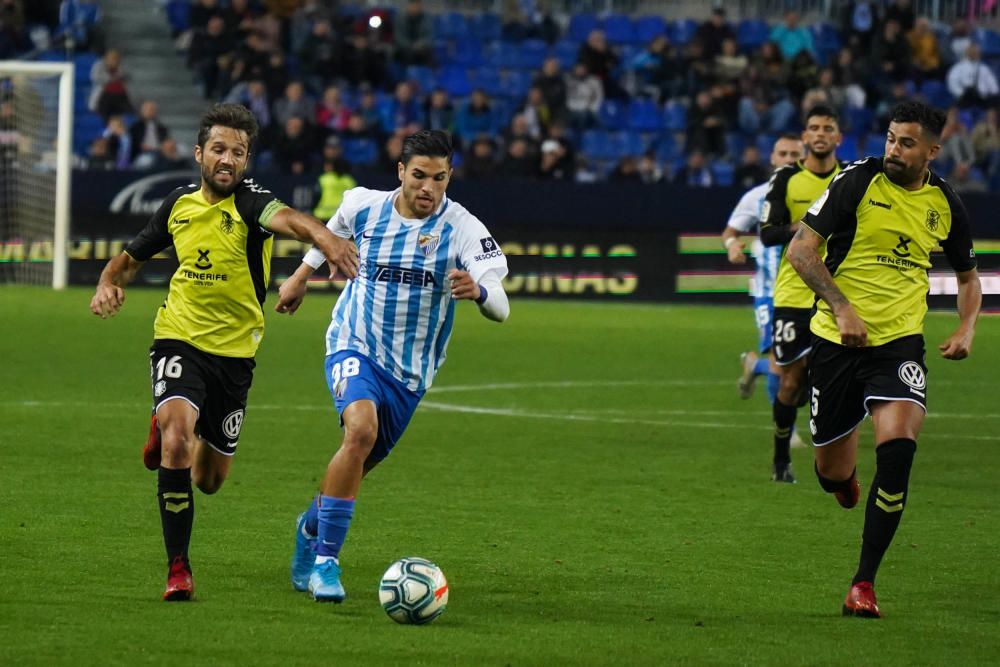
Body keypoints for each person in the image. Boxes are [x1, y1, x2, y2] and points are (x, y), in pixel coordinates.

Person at [88, 103, 359, 602]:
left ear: (247, 160)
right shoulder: (177, 205)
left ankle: (170, 424)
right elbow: (128, 260)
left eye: (238, 151)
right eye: (219, 149)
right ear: (200, 154)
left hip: (235, 355)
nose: (228, 159)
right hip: (178, 336)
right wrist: (108, 282)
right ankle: (178, 568)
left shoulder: (253, 204)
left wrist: (324, 236)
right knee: (176, 442)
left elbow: (294, 222)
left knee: (208, 479)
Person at [278, 130, 510, 603]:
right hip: (353, 342)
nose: (428, 187)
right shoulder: (364, 204)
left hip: (409, 374)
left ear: (449, 178)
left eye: (439, 178)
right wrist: (301, 277)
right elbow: (332, 233)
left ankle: (310, 529)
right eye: (419, 175)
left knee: (357, 463)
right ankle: (327, 562)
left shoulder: (463, 228)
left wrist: (482, 292)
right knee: (359, 432)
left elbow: (501, 303)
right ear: (401, 172)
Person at [786, 100, 981, 618]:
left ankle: (863, 583)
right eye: (891, 139)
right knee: (831, 472)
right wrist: (843, 307)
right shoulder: (857, 182)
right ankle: (842, 482)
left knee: (898, 452)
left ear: (932, 150)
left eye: (907, 143)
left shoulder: (945, 203)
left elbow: (967, 277)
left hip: (897, 345)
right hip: (834, 341)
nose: (894, 150)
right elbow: (801, 251)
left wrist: (966, 326)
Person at [759, 104, 843, 483]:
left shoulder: (851, 180)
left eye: (828, 127)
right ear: (805, 137)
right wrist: (803, 227)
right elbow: (766, 233)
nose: (821, 133)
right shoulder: (785, 180)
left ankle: (832, 457)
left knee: (832, 379)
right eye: (814, 128)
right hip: (793, 294)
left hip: (836, 294)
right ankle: (781, 461)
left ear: (838, 137)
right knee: (791, 379)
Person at [721, 135, 803, 416]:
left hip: (808, 290)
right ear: (772, 158)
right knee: (780, 359)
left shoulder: (818, 195)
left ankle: (754, 365)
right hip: (769, 291)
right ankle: (786, 432)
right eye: (783, 153)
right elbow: (730, 232)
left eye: (795, 154)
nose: (789, 159)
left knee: (806, 364)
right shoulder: (756, 196)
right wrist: (732, 247)